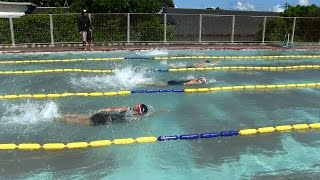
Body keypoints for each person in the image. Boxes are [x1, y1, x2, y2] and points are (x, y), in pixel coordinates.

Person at [61, 103, 148, 125]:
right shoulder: (136, 118)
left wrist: (102, 109)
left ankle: (61, 117)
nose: (136, 105)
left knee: (84, 119)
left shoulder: (127, 108)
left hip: (105, 116)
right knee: (84, 121)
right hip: (108, 120)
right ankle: (61, 118)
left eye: (138, 105)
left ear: (138, 109)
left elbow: (113, 109)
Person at [143, 76, 207, 87]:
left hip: (176, 82)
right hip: (176, 83)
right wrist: (185, 85)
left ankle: (147, 83)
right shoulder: (195, 81)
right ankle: (147, 84)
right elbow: (186, 83)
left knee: (162, 84)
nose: (201, 82)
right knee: (161, 85)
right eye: (202, 81)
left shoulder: (194, 79)